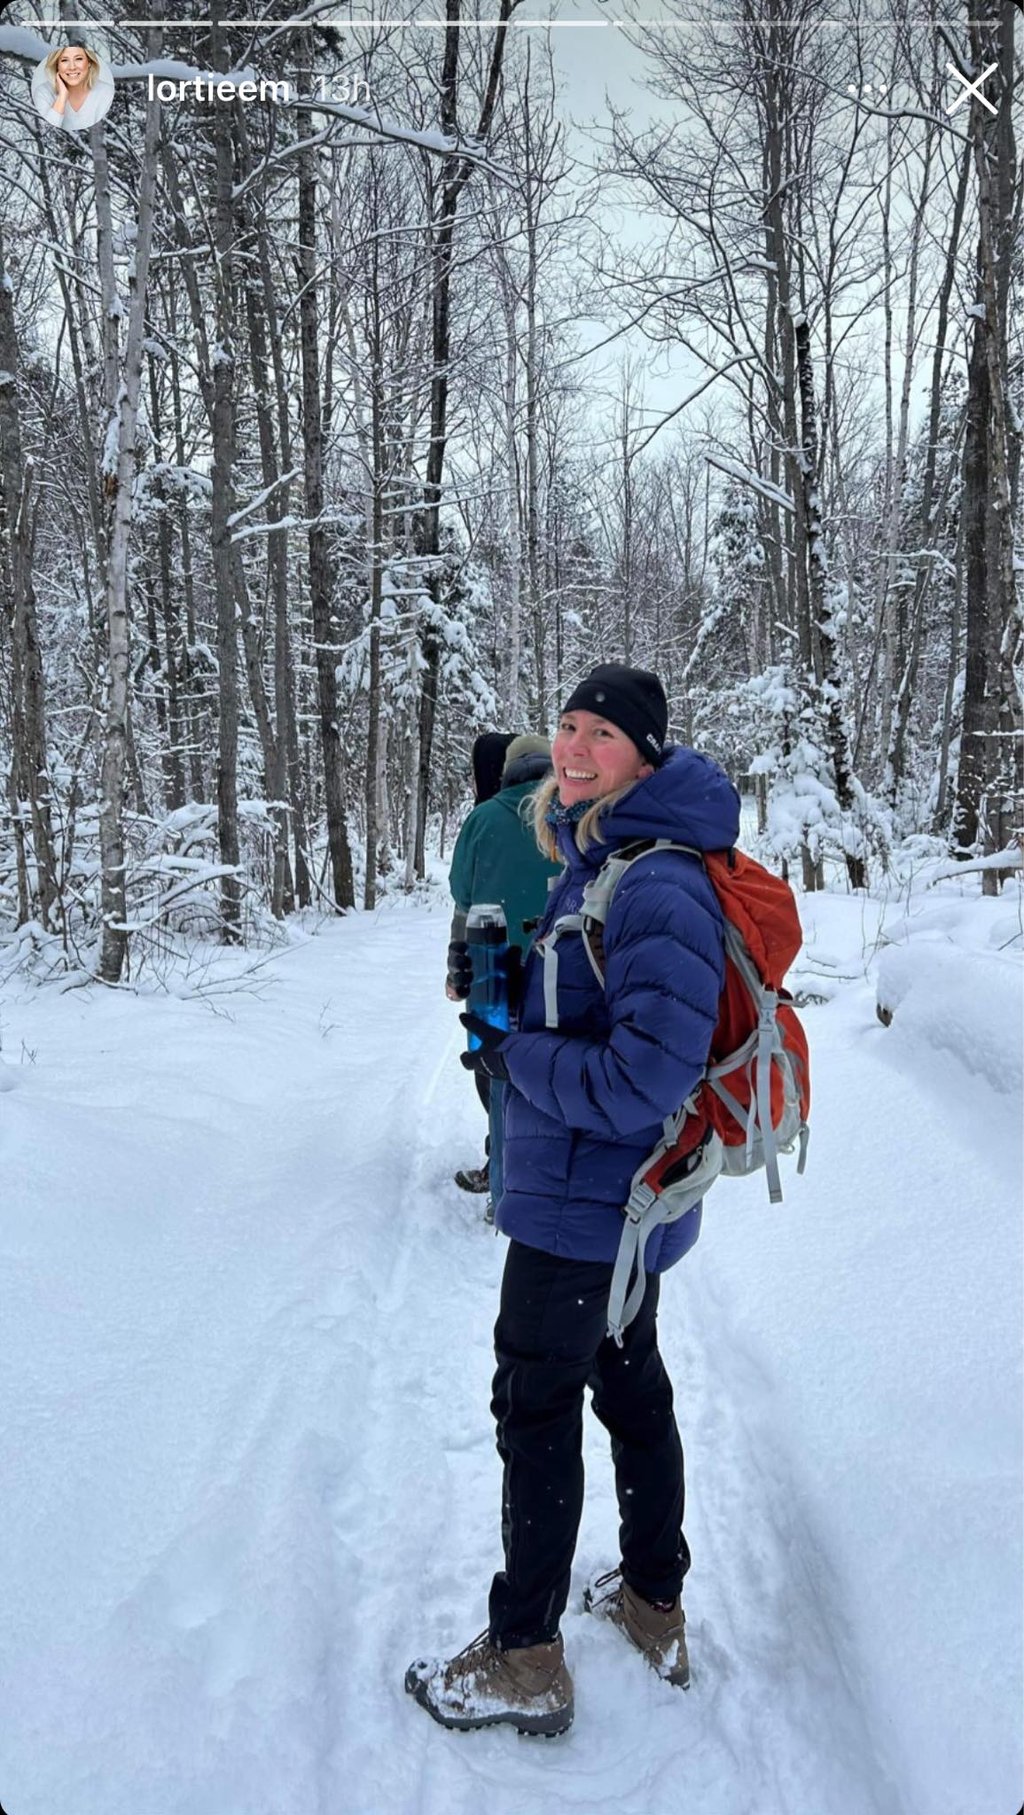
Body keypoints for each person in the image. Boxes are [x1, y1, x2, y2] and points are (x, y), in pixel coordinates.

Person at [407, 663, 740, 1736]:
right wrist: (499, 984)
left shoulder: (654, 881)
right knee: (628, 1382)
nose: (580, 744)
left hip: (582, 1209)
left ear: (646, 753)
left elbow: (643, 1076)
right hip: (616, 1207)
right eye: (569, 724)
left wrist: (513, 1053)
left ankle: (524, 1654)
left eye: (604, 730)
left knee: (535, 1408)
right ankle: (652, 1601)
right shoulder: (596, 854)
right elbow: (583, 1000)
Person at [446, 734, 561, 1209]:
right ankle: (545, 1177)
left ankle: (502, 1179)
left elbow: (462, 897)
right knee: (552, 1072)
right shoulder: (568, 813)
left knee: (493, 1072)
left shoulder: (483, 818)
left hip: (492, 971)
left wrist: (456, 967)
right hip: (559, 974)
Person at [31, 43, 115, 133]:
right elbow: (49, 130)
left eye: (78, 59)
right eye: (64, 60)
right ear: (57, 65)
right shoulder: (43, 92)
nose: (72, 67)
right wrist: (62, 96)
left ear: (89, 63)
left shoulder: (105, 91)